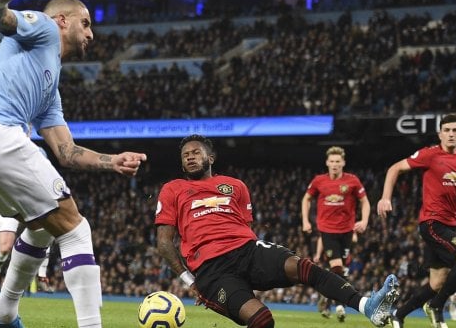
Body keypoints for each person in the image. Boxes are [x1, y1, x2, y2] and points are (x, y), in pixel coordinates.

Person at [0, 0, 147, 328]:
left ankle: (4, 314)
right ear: (62, 20)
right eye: (85, 24)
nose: (90, 34)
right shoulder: (42, 28)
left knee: (42, 226)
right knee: (75, 229)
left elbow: (66, 151)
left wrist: (111, 161)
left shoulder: (49, 86)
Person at [154, 134, 398, 328]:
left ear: (211, 158)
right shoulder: (173, 189)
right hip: (212, 270)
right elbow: (164, 243)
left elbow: (244, 227)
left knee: (304, 266)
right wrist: (190, 280)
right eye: (185, 155)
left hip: (247, 250)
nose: (190, 157)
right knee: (262, 321)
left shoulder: (236, 186)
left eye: (196, 152)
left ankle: (368, 306)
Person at [377, 113, 456, 328]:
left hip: (450, 224)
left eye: (455, 130)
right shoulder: (429, 154)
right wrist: (385, 198)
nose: (451, 134)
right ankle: (437, 306)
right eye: (447, 130)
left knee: (436, 283)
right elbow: (394, 168)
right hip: (432, 223)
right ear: (440, 133)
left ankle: (398, 314)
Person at [301, 146, 370, 322]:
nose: (334, 164)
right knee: (338, 268)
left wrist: (364, 221)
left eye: (338, 161)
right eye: (331, 161)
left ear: (343, 163)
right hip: (327, 231)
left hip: (346, 231)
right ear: (327, 162)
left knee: (340, 271)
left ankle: (328, 297)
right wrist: (306, 221)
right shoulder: (319, 181)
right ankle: (341, 304)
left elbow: (365, 202)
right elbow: (306, 199)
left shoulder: (352, 181)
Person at [0, 213, 54, 294]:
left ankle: (42, 276)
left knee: (44, 234)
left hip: (31, 205)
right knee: (5, 249)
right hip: (10, 206)